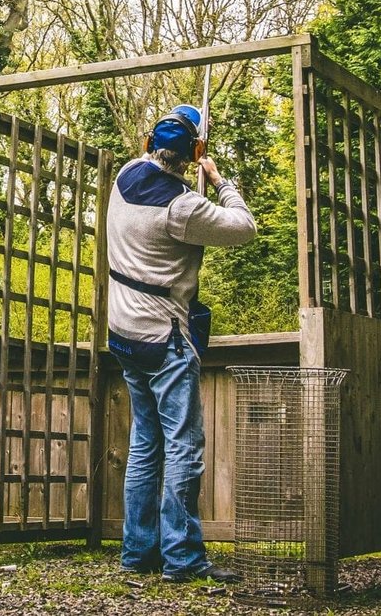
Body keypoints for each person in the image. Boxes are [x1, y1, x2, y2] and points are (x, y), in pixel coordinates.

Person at [106, 104, 257, 584]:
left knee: (145, 445)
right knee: (184, 447)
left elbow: (153, 155)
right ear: (193, 153)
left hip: (124, 334)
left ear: (150, 146)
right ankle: (183, 558)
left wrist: (185, 138)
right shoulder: (184, 206)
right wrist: (215, 176)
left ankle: (138, 552)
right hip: (165, 337)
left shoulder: (125, 175)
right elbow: (245, 227)